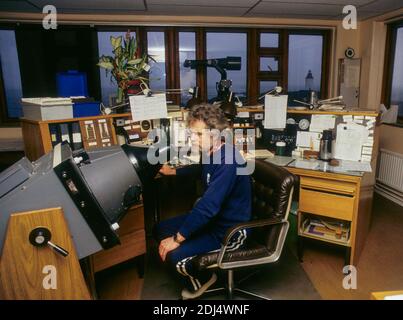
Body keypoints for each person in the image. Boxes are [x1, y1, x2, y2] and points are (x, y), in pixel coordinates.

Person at [153, 103, 252, 300]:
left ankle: (204, 279)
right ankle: (200, 264)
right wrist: (172, 171)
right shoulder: (211, 152)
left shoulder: (229, 160)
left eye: (199, 134)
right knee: (160, 229)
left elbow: (208, 207)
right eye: (192, 133)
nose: (194, 139)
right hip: (212, 222)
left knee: (175, 256)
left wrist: (176, 239)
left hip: (229, 232)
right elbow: (201, 170)